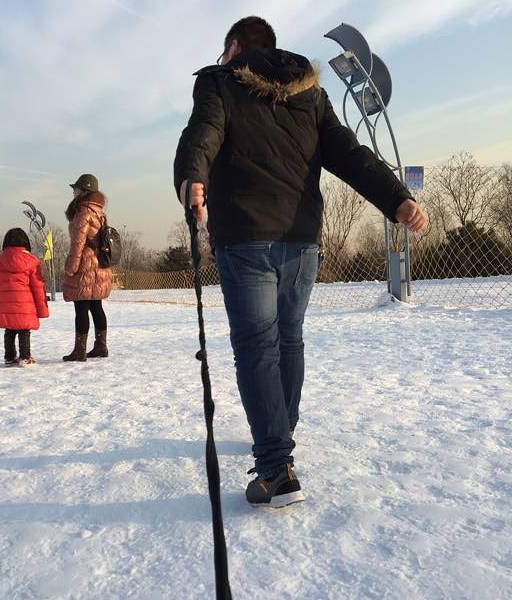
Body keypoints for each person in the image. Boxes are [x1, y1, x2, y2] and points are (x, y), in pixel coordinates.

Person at [174, 16, 428, 507]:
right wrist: (396, 197)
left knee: (257, 347)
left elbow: (202, 133)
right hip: (301, 239)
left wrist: (191, 176)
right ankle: (280, 431)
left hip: (245, 236)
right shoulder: (309, 92)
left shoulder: (220, 82)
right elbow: (349, 153)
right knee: (287, 339)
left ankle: (276, 468)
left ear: (234, 47)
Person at [62, 174, 112, 361]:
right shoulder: (100, 212)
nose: (73, 192)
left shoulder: (83, 212)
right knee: (96, 306)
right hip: (100, 264)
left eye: (76, 189)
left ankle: (79, 350)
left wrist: (71, 267)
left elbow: (78, 243)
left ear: (84, 191)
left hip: (86, 265)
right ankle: (101, 346)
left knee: (81, 307)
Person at [0, 228, 49, 367]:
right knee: (24, 330)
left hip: (5, 304)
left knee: (9, 330)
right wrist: (43, 310)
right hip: (25, 304)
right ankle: (25, 357)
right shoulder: (32, 261)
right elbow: (38, 287)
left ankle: (9, 357)